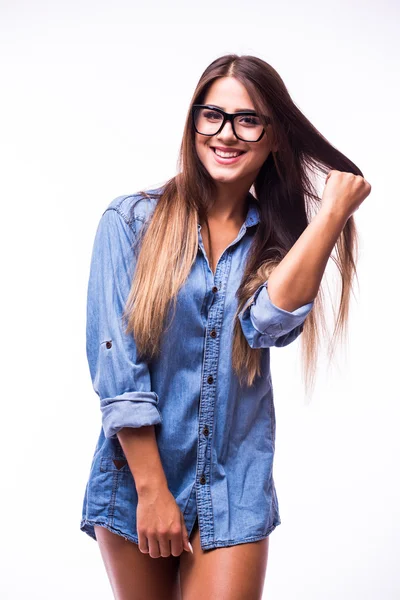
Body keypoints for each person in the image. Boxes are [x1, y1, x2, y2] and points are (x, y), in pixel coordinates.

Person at [79, 54, 371, 600]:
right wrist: (152, 491)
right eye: (212, 115)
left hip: (234, 490)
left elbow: (268, 327)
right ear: (193, 124)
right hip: (137, 484)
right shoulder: (129, 223)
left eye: (248, 119)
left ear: (276, 135)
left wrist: (331, 217)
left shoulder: (277, 242)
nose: (226, 134)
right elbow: (118, 369)